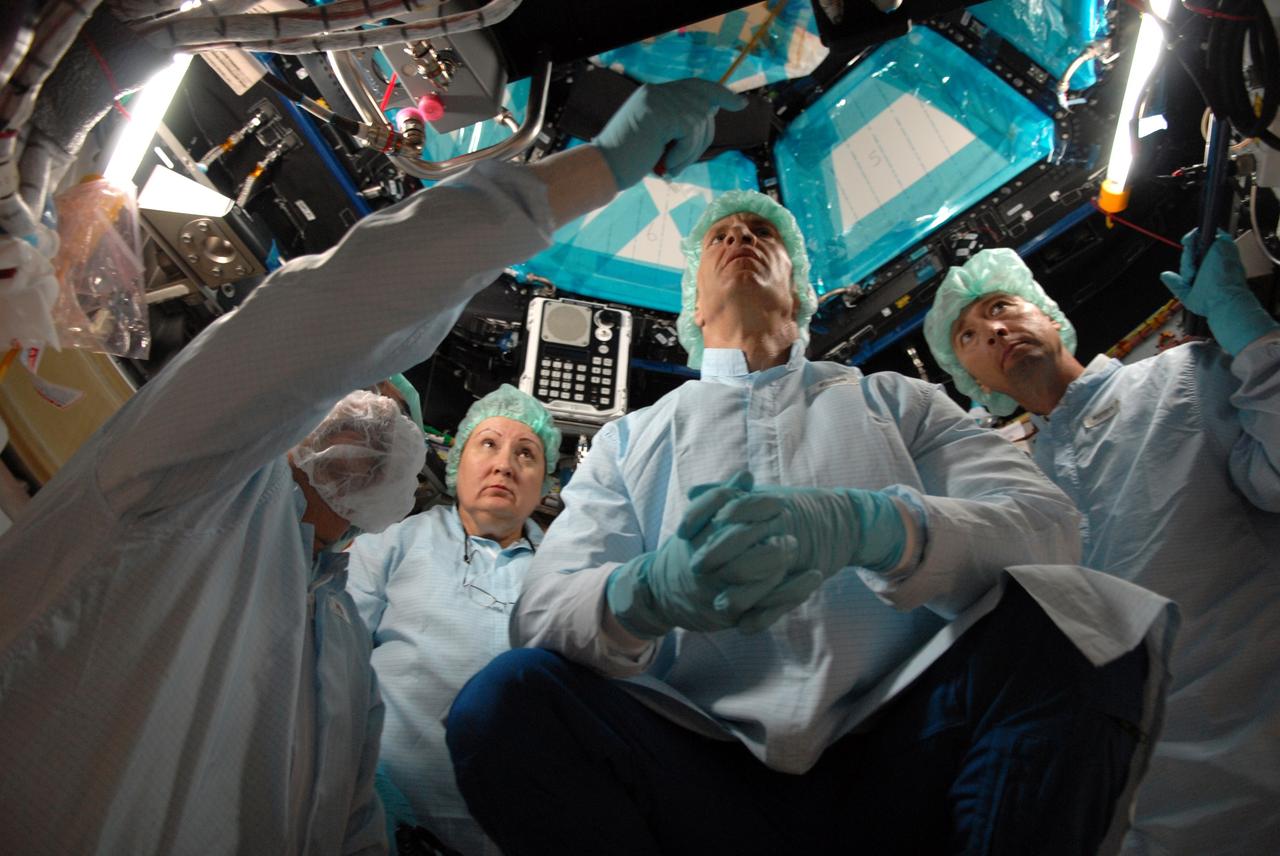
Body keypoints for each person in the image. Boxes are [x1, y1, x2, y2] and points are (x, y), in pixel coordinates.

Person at [0, 78, 745, 854]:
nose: (382, 404)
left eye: (398, 408)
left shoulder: (343, 650)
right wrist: (592, 172)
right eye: (363, 386)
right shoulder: (190, 481)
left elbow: (347, 822)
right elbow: (335, 314)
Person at [446, 190, 1176, 855]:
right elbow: (540, 615)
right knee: (505, 703)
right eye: (720, 237)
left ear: (799, 288)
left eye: (762, 232)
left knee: (1079, 618)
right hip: (708, 777)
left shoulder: (901, 404)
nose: (739, 236)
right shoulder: (632, 440)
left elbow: (1049, 528)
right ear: (693, 307)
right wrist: (646, 595)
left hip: (904, 747)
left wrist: (878, 528)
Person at [922, 234, 1280, 854]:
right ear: (970, 381)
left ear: (1046, 311)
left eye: (1002, 306)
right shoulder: (1014, 494)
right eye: (969, 337)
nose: (994, 331)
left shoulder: (1180, 379)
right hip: (1162, 816)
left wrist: (1250, 332)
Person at [346, 384, 561, 855]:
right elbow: (332, 663)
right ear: (457, 458)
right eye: (489, 444)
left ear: (546, 483)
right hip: (374, 818)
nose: (504, 463)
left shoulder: (565, 573)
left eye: (526, 453)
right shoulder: (391, 543)